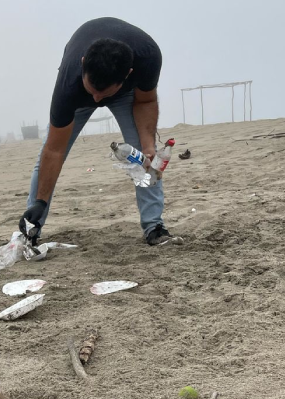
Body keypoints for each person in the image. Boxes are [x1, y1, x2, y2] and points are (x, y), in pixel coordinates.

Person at [20, 18, 176, 246]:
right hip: (78, 93)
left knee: (145, 159)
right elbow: (54, 151)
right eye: (92, 91)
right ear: (83, 63)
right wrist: (40, 201)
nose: (96, 100)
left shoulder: (147, 56)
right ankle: (32, 227)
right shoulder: (69, 84)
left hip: (126, 94)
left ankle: (154, 226)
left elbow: (145, 101)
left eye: (103, 94)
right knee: (46, 155)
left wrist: (147, 146)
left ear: (128, 73)